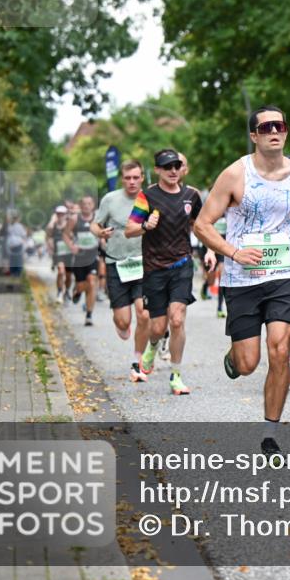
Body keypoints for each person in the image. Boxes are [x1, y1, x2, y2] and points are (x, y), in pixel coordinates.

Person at [195, 106, 290, 456]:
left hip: (284, 274)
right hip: (242, 278)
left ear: (286, 132)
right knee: (248, 364)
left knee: (280, 347)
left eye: (280, 125)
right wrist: (232, 252)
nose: (274, 131)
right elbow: (202, 224)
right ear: (254, 135)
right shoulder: (235, 175)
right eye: (266, 126)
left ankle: (270, 433)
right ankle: (234, 357)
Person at [125, 149, 213, 396]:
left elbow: (201, 226)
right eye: (167, 167)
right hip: (154, 269)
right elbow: (129, 229)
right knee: (157, 327)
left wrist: (210, 251)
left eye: (176, 166)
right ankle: (152, 347)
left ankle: (175, 375)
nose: (173, 170)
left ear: (182, 168)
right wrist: (145, 225)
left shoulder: (191, 196)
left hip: (182, 265)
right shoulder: (147, 196)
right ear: (158, 170)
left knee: (177, 319)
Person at [93, 160, 152, 383]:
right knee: (123, 322)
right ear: (122, 179)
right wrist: (100, 232)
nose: (132, 182)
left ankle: (137, 362)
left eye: (136, 177)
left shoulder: (148, 200)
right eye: (128, 178)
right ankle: (121, 323)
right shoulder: (110, 199)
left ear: (142, 178)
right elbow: (94, 224)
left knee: (144, 314)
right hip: (116, 263)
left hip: (142, 263)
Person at [64, 195, 100, 326]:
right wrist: (71, 246)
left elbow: (102, 234)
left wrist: (104, 242)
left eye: (89, 203)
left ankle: (89, 315)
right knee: (81, 285)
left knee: (91, 282)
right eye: (84, 204)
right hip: (79, 257)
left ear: (93, 205)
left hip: (92, 255)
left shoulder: (98, 219)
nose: (86, 206)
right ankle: (78, 291)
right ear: (80, 206)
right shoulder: (74, 219)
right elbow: (65, 234)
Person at [46, 205, 73, 301]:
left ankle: (67, 290)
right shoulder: (54, 225)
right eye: (58, 214)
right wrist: (52, 220)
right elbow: (48, 234)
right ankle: (60, 291)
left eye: (62, 214)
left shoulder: (70, 224)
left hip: (69, 253)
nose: (60, 215)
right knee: (61, 272)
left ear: (66, 214)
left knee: (69, 275)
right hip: (58, 253)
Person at [5, 212, 28, 277]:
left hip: (11, 244)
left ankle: (13, 271)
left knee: (12, 258)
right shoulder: (19, 226)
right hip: (18, 243)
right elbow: (24, 234)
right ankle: (17, 272)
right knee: (18, 259)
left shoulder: (10, 226)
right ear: (18, 219)